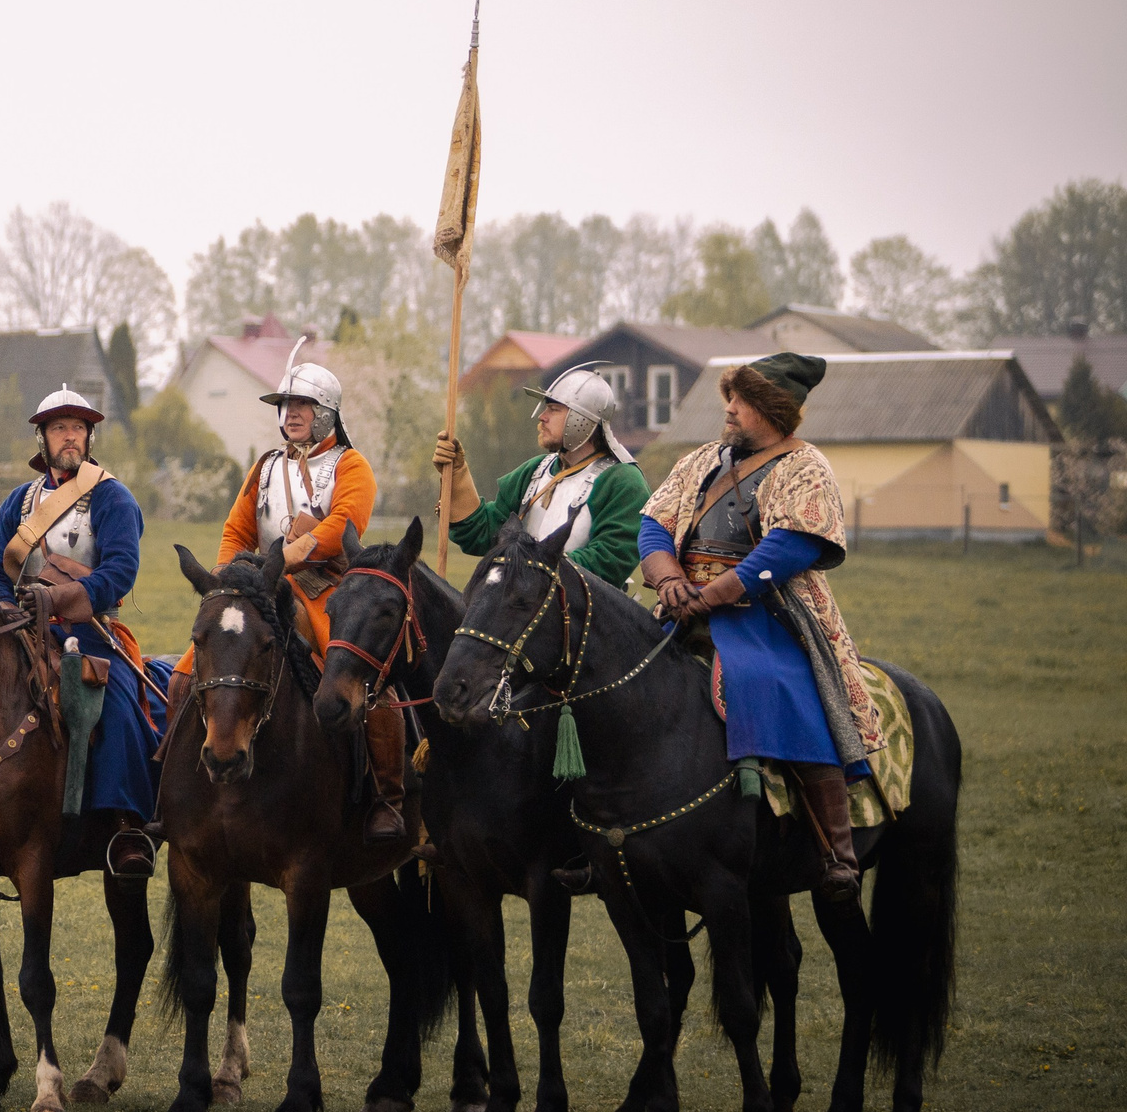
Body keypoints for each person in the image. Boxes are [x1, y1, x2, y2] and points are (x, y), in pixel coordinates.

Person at [636, 352, 886, 899]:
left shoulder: (806, 466)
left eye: (743, 401)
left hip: (768, 611)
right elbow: (655, 521)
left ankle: (835, 852)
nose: (729, 409)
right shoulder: (703, 459)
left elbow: (789, 547)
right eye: (731, 397)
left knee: (784, 686)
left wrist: (714, 595)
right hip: (680, 604)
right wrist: (668, 580)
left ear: (773, 410)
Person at [182, 352, 408, 844]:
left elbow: (341, 528)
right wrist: (228, 578)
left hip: (324, 591)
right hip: (257, 591)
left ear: (327, 411)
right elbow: (237, 528)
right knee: (185, 674)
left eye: (302, 405)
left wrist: (283, 560)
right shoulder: (263, 468)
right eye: (285, 405)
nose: (291, 414)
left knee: (365, 684)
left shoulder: (353, 466)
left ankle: (386, 800)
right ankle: (173, 793)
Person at [0, 385, 164, 876]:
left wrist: (56, 598)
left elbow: (120, 571)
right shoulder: (19, 501)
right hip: (19, 629)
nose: (70, 437)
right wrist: (5, 608)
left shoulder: (112, 496)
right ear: (42, 437)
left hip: (90, 631)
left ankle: (126, 825)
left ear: (89, 437)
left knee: (119, 705)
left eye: (78, 428)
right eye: (60, 427)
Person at [433, 364, 651, 587]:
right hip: (519, 603)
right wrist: (457, 474)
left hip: (584, 614)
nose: (542, 417)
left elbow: (609, 561)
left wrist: (530, 569)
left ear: (582, 419)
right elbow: (482, 534)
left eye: (554, 409)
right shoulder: (535, 470)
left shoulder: (623, 481)